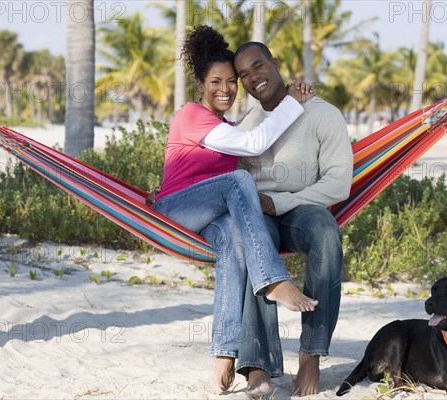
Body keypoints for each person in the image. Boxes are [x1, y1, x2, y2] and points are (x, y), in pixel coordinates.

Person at [150, 25, 318, 394]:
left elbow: (249, 140)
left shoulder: (224, 126)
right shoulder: (193, 116)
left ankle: (225, 352)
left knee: (234, 244)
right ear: (200, 84)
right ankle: (274, 280)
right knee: (238, 182)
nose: (225, 89)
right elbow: (256, 141)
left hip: (206, 218)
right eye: (215, 81)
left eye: (231, 82)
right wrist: (293, 102)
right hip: (175, 213)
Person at [224, 42, 354, 396]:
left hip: (301, 209)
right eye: (244, 75)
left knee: (326, 233)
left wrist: (280, 202)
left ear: (275, 63)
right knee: (251, 241)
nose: (253, 78)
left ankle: (310, 354)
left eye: (258, 66)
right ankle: (257, 367)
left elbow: (338, 183)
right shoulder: (246, 127)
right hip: (257, 213)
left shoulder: (322, 114)